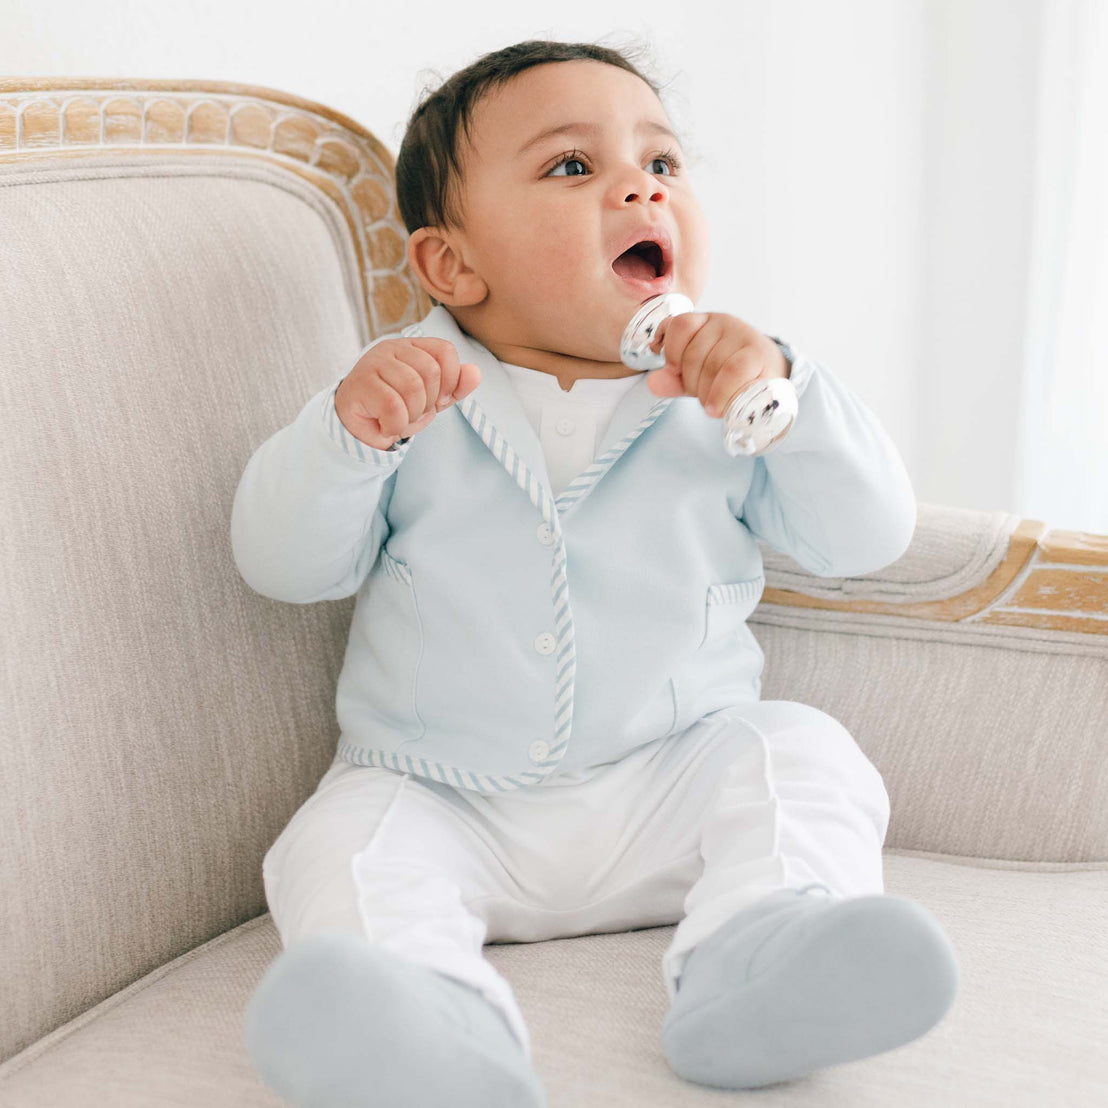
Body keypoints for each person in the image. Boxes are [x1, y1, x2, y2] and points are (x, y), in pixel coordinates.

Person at [232, 38, 959, 1108]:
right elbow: (284, 566)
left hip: (670, 779)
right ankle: (426, 1022)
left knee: (802, 752)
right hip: (442, 790)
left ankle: (760, 957)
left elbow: (866, 537)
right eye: (572, 167)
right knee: (336, 843)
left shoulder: (725, 395)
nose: (638, 185)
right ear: (449, 267)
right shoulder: (406, 395)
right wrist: (349, 437)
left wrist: (788, 392)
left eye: (661, 165)